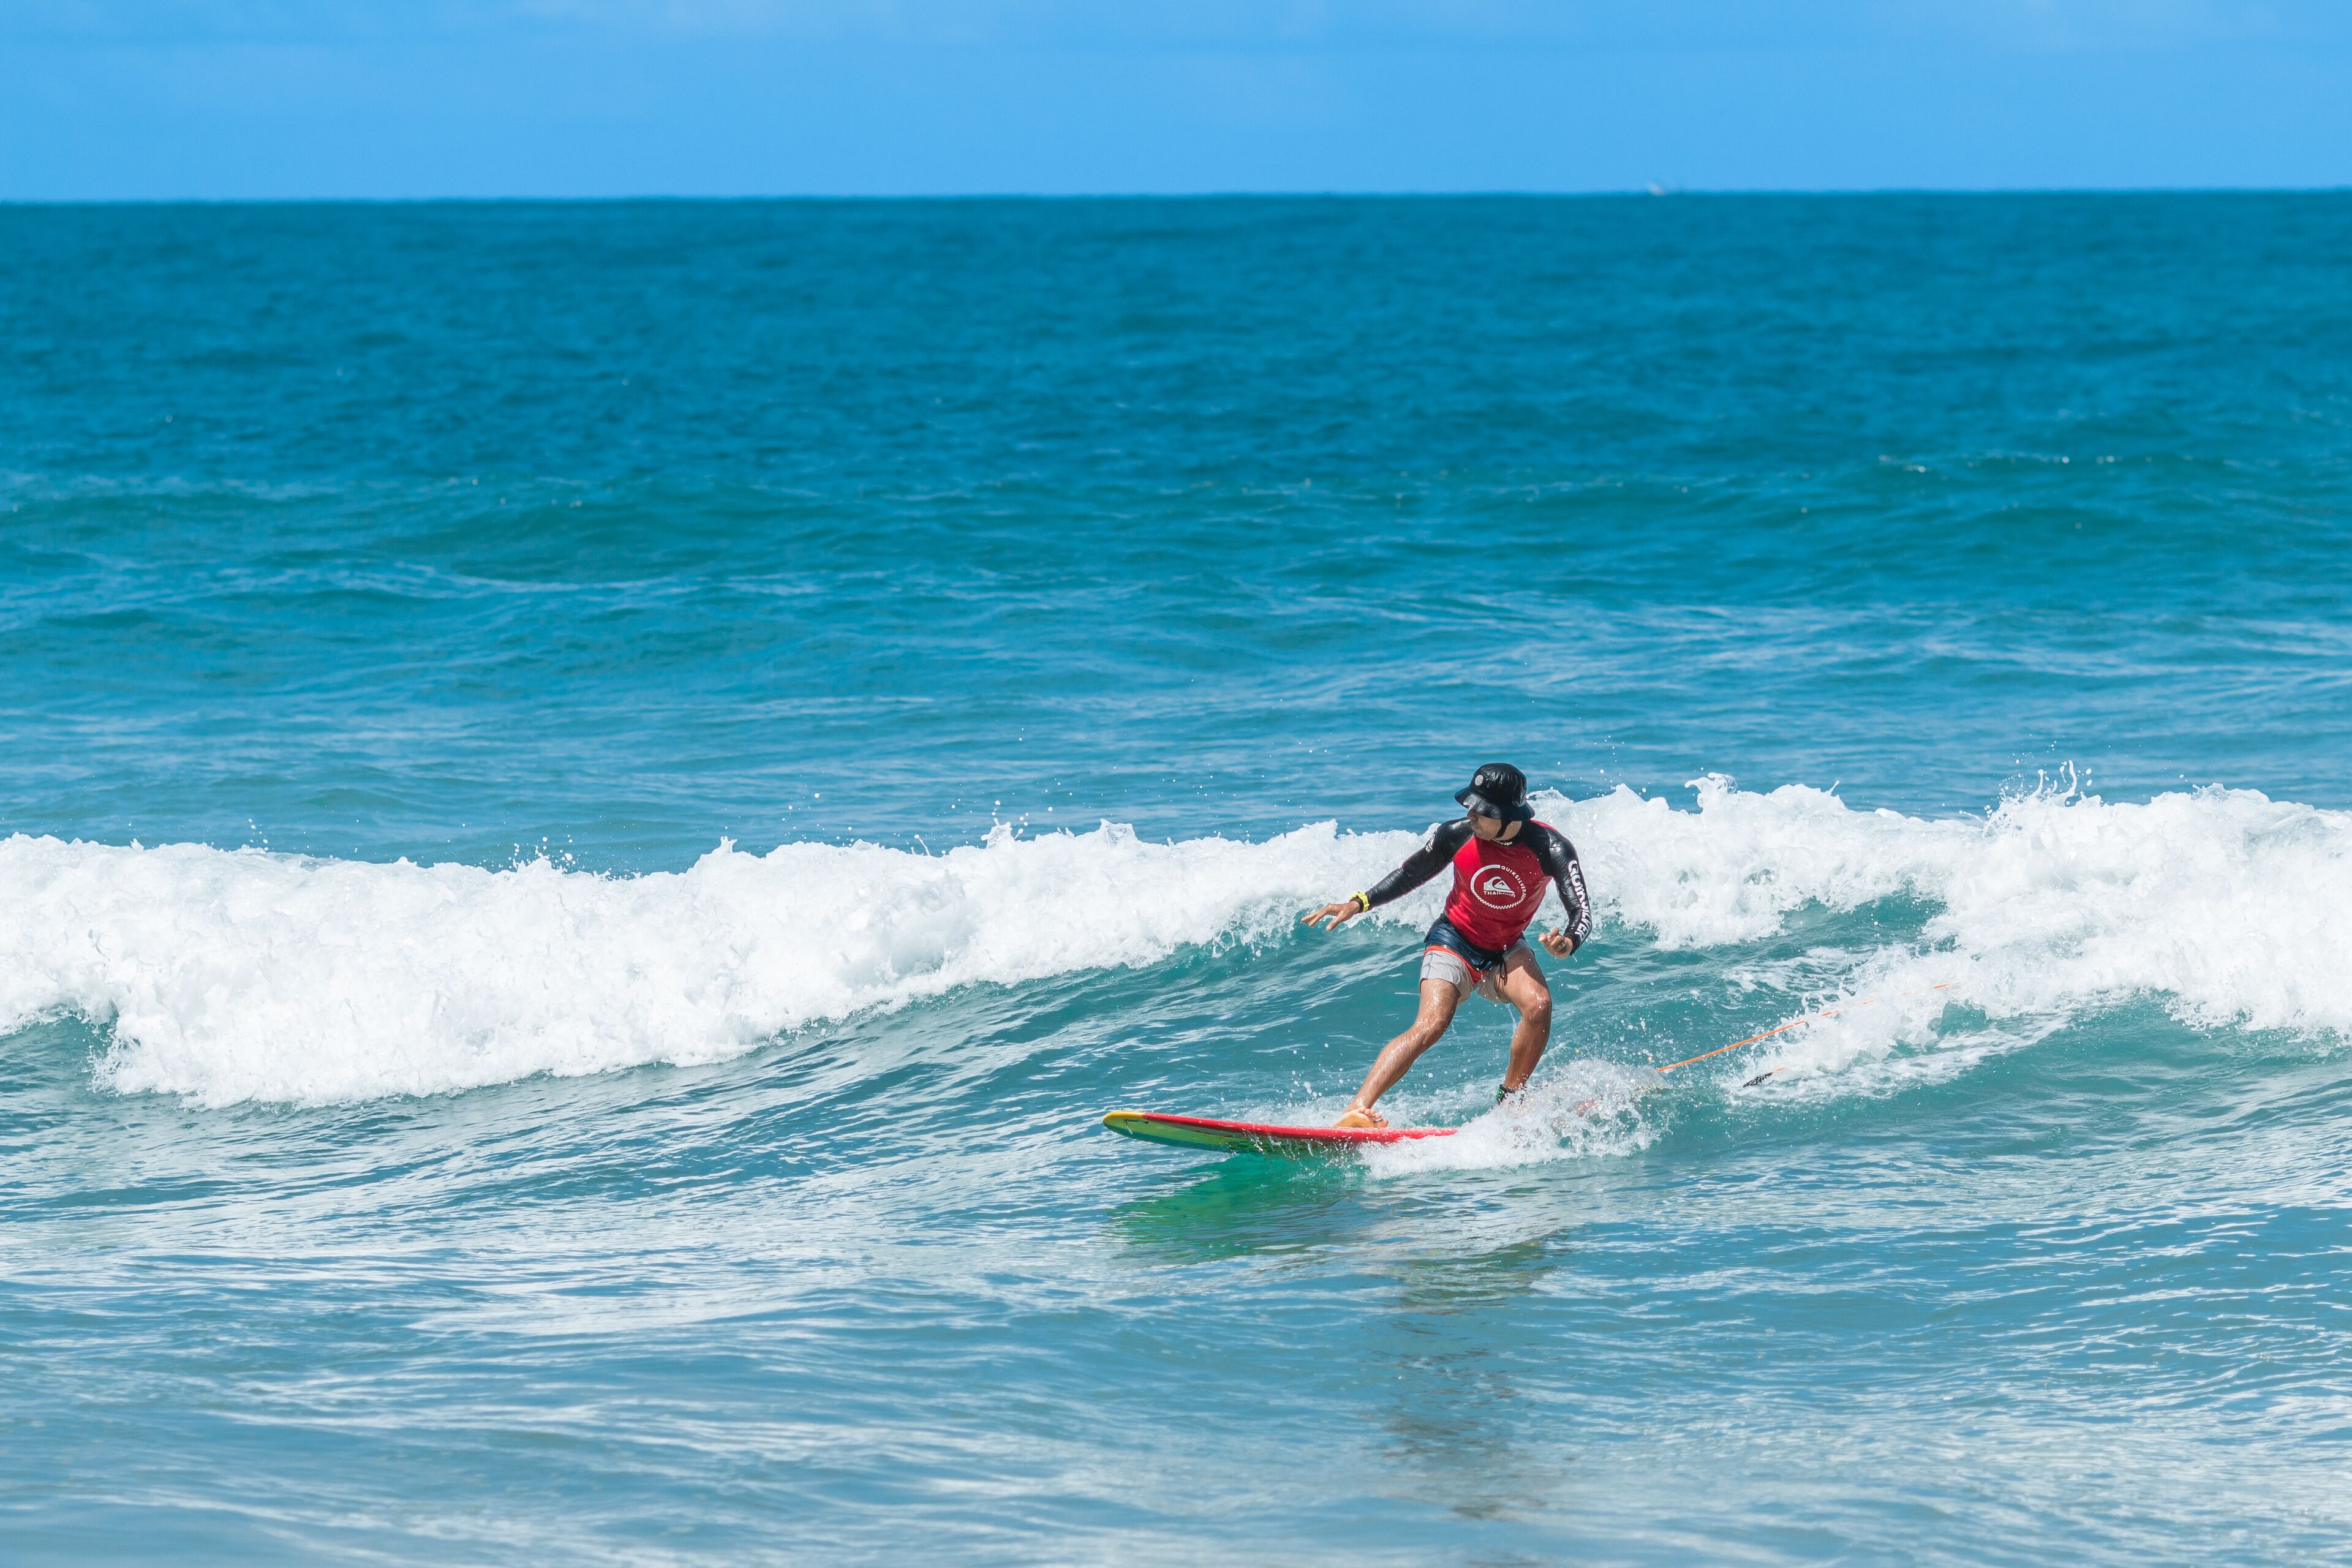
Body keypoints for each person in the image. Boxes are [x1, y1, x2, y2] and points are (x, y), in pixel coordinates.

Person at [1301, 763, 1593, 1128]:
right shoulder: (1455, 835)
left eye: (1481, 810)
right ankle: (1356, 1111)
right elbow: (1410, 874)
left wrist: (1567, 943)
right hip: (1453, 940)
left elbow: (1581, 911)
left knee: (1539, 1005)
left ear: (1507, 815)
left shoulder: (1551, 848)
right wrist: (1359, 902)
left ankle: (1511, 1100)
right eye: (1468, 805)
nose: (1470, 815)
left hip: (1505, 949)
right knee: (1432, 1024)